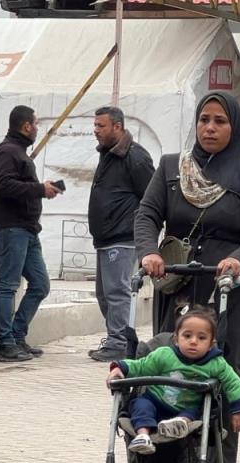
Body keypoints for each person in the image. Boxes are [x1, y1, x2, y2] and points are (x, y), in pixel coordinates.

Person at [135, 91, 240, 463]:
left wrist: (239, 258)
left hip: (229, 291)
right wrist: (149, 252)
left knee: (224, 373)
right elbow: (147, 214)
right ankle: (163, 459)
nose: (209, 128)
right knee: (168, 368)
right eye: (204, 120)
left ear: (236, 127)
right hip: (179, 285)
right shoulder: (170, 168)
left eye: (220, 121)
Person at [107, 307, 240, 455]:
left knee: (193, 412)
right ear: (176, 339)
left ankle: (179, 424)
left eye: (201, 338)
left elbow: (233, 383)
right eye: (187, 336)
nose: (193, 341)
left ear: (211, 343)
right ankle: (143, 436)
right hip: (156, 400)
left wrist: (238, 410)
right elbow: (141, 366)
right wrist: (120, 368)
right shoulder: (164, 355)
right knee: (140, 404)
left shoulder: (216, 364)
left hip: (186, 406)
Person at [0, 105, 63, 363]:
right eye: (36, 123)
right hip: (11, 228)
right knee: (8, 285)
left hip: (27, 229)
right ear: (27, 126)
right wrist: (40, 189)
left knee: (40, 284)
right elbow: (3, 185)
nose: (38, 128)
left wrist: (42, 189)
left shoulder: (17, 153)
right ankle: (6, 343)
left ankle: (17, 335)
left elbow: (17, 185)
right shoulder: (8, 152)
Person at [87, 106, 156, 362]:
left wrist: (140, 229)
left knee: (117, 292)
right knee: (105, 294)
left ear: (118, 126)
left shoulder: (135, 157)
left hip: (123, 237)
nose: (96, 131)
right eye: (95, 126)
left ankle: (119, 343)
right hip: (105, 238)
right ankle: (118, 339)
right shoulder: (108, 154)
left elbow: (151, 198)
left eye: (101, 126)